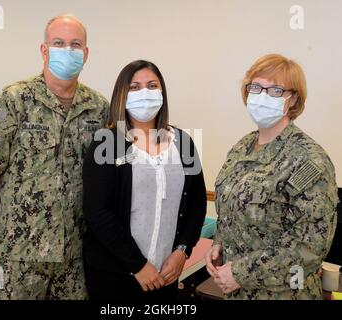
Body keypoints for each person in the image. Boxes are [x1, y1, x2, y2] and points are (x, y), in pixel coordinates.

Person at [0, 14, 109, 299]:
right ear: (44, 50)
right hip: (16, 254)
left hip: (74, 258)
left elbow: (109, 179)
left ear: (86, 54)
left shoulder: (98, 109)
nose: (68, 50)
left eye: (75, 44)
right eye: (59, 43)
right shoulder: (13, 101)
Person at [205, 54, 338, 300]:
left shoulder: (308, 160)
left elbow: (310, 246)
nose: (262, 95)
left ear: (293, 98)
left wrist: (241, 273)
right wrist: (218, 243)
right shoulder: (242, 147)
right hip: (235, 292)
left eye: (275, 90)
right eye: (256, 87)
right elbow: (231, 207)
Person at [82, 60, 206, 301]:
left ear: (162, 92)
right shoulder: (108, 142)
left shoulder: (184, 143)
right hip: (115, 276)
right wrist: (138, 265)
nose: (145, 93)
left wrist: (182, 251)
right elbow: (97, 211)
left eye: (152, 85)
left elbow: (197, 203)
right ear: (122, 95)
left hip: (166, 274)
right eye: (135, 87)